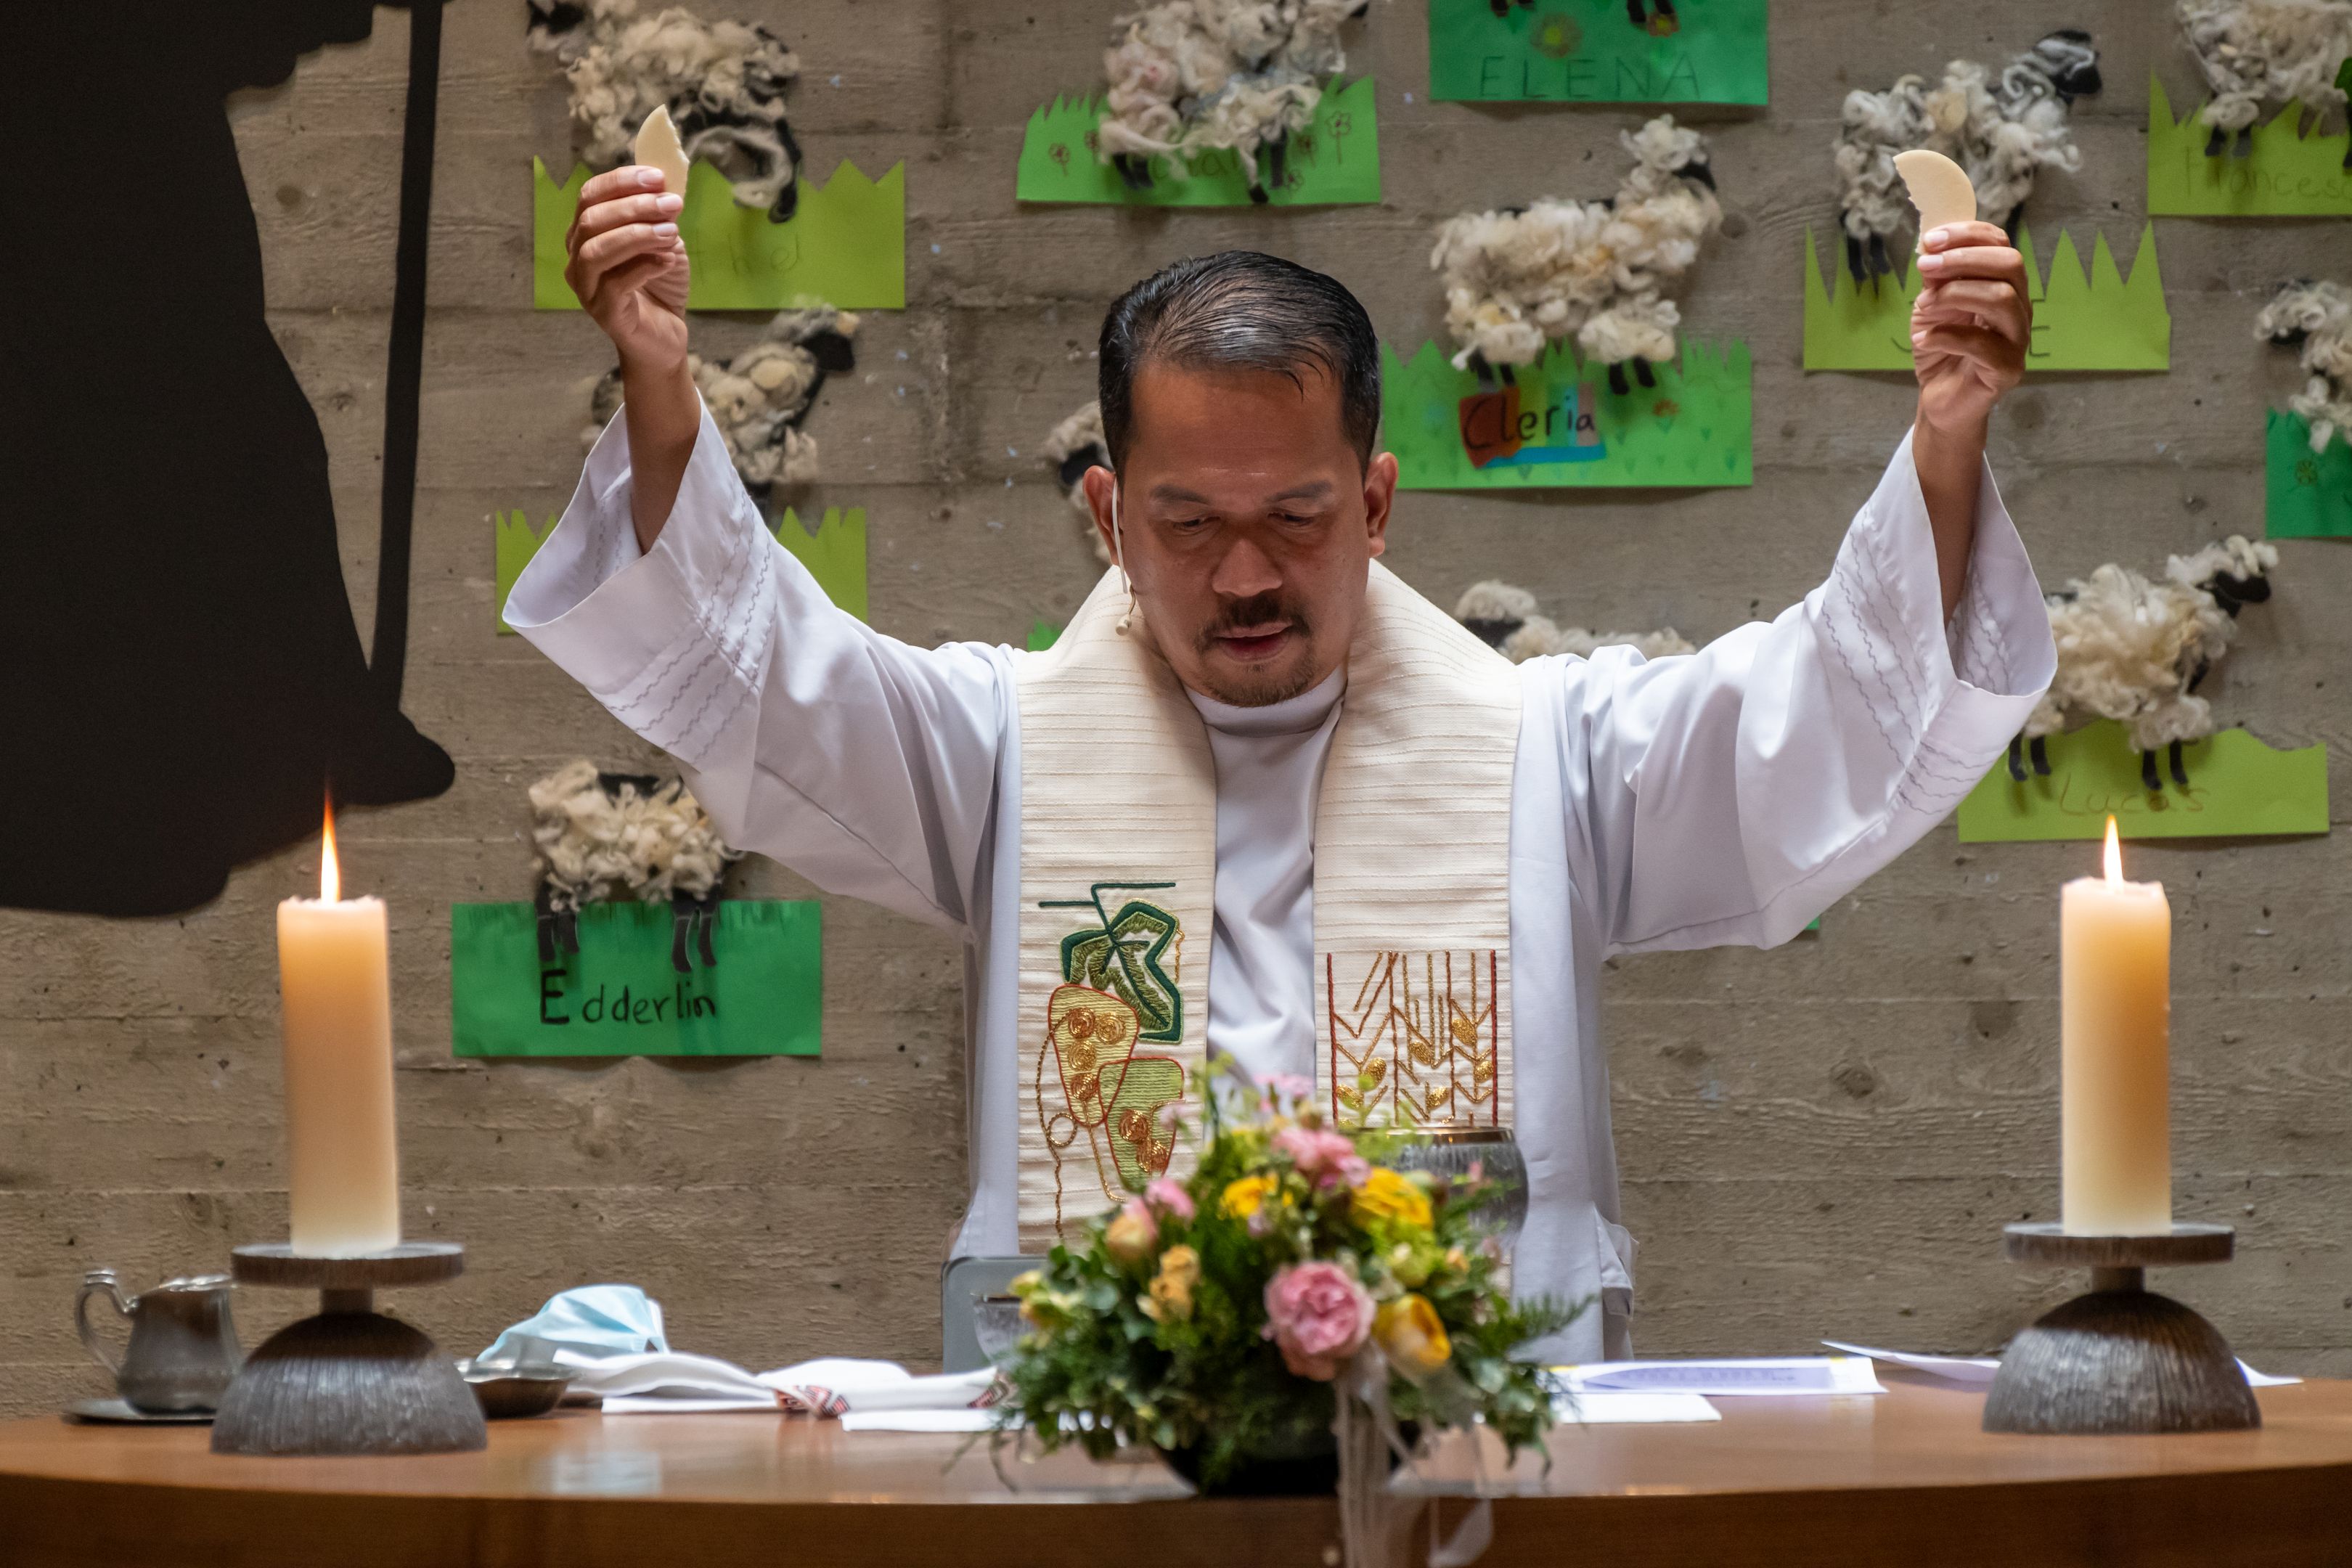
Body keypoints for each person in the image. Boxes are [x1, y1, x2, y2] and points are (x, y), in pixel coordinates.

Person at [508, 166, 2055, 1359]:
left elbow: (1813, 715)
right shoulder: (999, 748)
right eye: (1188, 522)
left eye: (1296, 518)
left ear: (1374, 506)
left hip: (1459, 1439)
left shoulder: (1548, 757)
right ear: (1110, 519)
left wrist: (1947, 439)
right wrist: (660, 383)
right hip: (1109, 1437)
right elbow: (765, 668)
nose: (1245, 575)